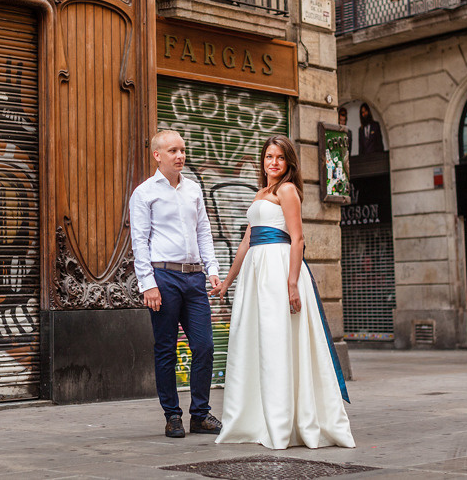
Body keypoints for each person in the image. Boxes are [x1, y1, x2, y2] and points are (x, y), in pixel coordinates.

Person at [210, 135, 354, 450]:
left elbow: (298, 239)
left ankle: (284, 423)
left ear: (288, 163)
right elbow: (246, 242)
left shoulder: (288, 190)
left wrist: (291, 283)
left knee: (278, 342)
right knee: (258, 344)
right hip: (256, 275)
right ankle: (255, 419)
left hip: (279, 271)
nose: (273, 162)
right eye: (268, 157)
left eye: (279, 158)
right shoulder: (261, 193)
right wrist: (228, 281)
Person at [130, 129, 223, 439]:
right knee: (166, 349)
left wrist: (212, 269)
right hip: (163, 277)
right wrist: (148, 284)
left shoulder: (194, 190)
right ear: (158, 155)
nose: (180, 155)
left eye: (182, 150)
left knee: (204, 346)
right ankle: (172, 415)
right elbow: (139, 241)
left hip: (195, 277)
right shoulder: (144, 193)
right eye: (173, 151)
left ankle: (200, 414)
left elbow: (204, 233)